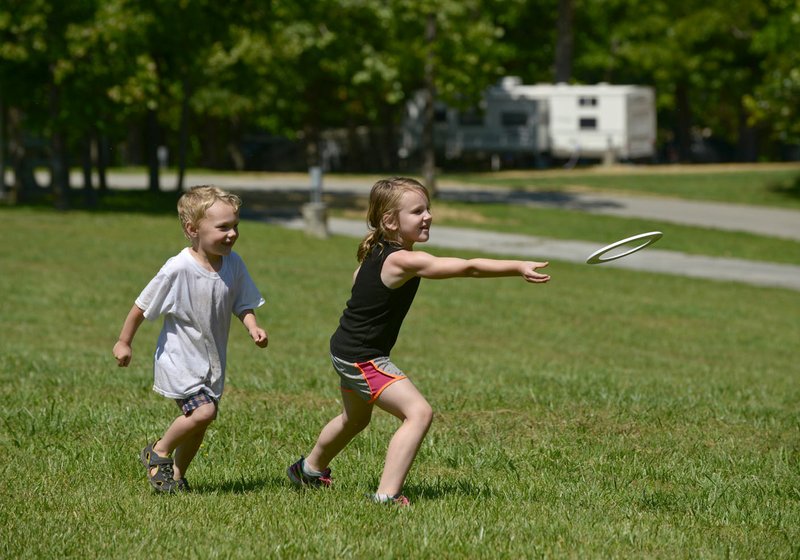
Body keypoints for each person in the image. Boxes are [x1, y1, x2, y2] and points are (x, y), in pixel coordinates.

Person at [287, 177, 550, 505]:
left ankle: (308, 470)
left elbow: (359, 282)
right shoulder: (401, 260)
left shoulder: (376, 250)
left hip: (344, 348)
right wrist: (517, 266)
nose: (427, 216)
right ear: (390, 221)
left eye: (428, 209)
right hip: (362, 357)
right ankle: (387, 496)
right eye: (417, 211)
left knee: (355, 418)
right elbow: (467, 268)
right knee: (419, 413)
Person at [113, 185, 269, 493]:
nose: (232, 234)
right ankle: (158, 451)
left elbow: (242, 302)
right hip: (180, 360)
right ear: (192, 229)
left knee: (201, 422)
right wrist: (124, 341)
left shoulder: (234, 263)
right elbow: (142, 306)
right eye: (223, 227)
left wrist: (252, 326)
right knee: (204, 412)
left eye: (235, 226)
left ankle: (178, 475)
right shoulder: (178, 268)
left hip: (210, 363)